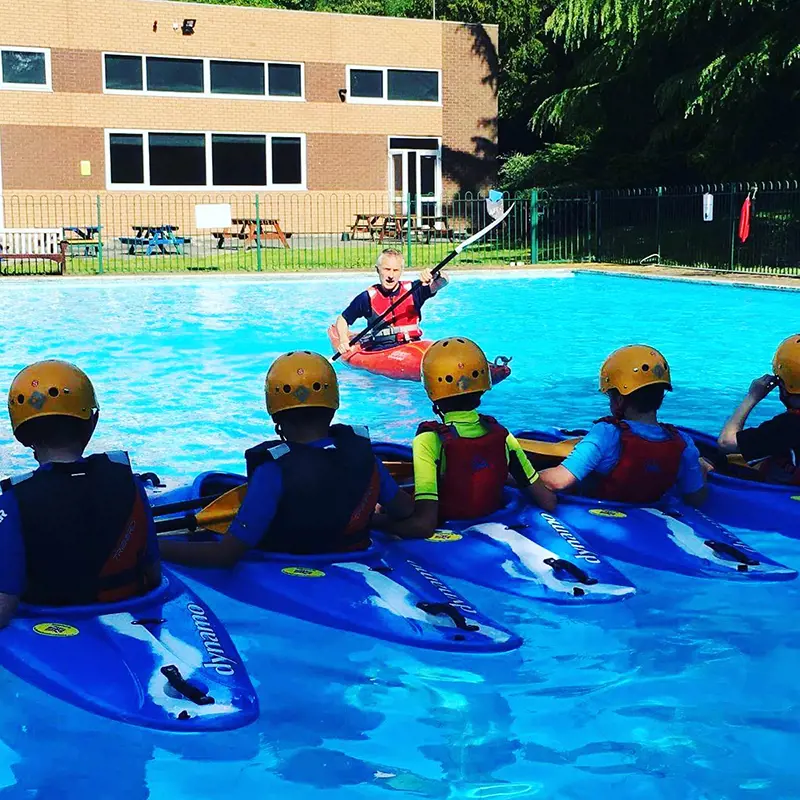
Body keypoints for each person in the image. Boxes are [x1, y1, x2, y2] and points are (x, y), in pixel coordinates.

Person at [159, 351, 414, 567]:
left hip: (292, 570)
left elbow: (226, 555)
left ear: (275, 415)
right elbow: (405, 510)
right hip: (358, 559)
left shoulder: (273, 470)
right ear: (333, 404)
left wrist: (153, 547)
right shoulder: (364, 456)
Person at [0, 360, 161, 627]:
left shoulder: (13, 501)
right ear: (93, 421)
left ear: (21, 434)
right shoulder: (129, 483)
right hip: (130, 614)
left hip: (50, 629)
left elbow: (4, 607)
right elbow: (153, 575)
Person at [375, 337, 556, 540]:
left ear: (431, 390)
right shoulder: (503, 435)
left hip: (451, 538)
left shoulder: (428, 440)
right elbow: (547, 501)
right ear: (482, 388)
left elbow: (424, 525)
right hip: (494, 523)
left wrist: (372, 521)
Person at [539, 345, 707, 506]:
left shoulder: (607, 433)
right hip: (649, 513)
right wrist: (702, 470)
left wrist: (521, 477)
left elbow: (558, 481)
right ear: (661, 397)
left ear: (619, 400)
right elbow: (696, 498)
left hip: (600, 513)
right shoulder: (684, 444)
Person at [717, 334, 800, 483]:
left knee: (709, 461)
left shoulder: (789, 425)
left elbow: (726, 443)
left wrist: (752, 397)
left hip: (789, 497)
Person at [333, 248, 448, 355]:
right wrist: (343, 339)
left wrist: (435, 274)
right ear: (377, 270)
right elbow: (343, 319)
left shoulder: (415, 289)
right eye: (387, 269)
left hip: (413, 345)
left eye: (396, 270)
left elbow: (443, 282)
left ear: (401, 271)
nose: (391, 276)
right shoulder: (367, 297)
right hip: (382, 349)